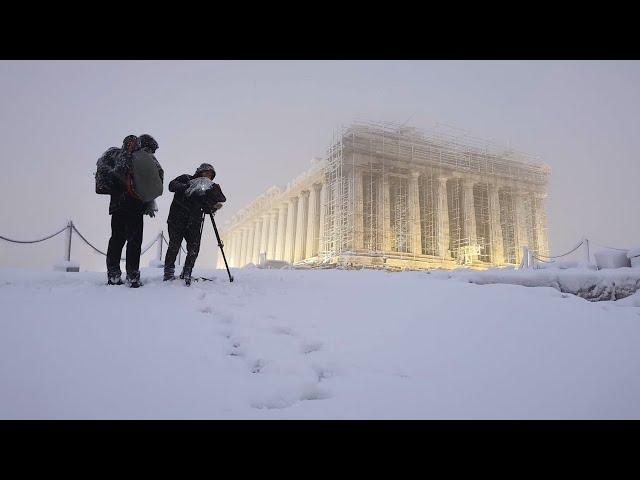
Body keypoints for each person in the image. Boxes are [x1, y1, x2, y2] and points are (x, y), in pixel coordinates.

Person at [98, 134, 162, 287]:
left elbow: (114, 177)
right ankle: (132, 276)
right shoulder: (143, 159)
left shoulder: (117, 156)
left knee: (116, 240)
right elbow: (156, 181)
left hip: (118, 205)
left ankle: (113, 275)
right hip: (135, 206)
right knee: (134, 242)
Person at [164, 163, 226, 285]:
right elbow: (171, 186)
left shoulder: (207, 189)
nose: (208, 176)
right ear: (200, 172)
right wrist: (188, 187)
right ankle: (168, 272)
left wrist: (213, 206)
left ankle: (187, 272)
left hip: (194, 222)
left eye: (210, 174)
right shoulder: (186, 178)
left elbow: (209, 208)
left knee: (194, 248)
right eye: (206, 172)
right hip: (177, 220)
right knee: (174, 246)